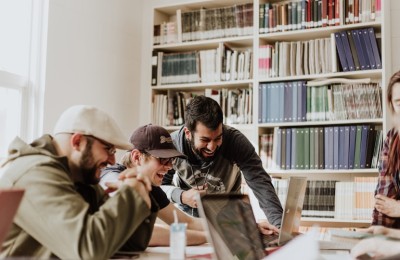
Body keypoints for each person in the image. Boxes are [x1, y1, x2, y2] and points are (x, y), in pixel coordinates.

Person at [0, 105, 158, 259]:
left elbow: (128, 244)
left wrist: (141, 190)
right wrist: (131, 194)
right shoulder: (35, 174)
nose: (112, 161)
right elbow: (88, 250)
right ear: (77, 142)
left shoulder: (80, 176)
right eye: (108, 149)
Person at [161, 95, 283, 231]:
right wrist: (182, 196)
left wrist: (279, 228)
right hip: (189, 221)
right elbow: (160, 187)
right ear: (188, 133)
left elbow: (261, 184)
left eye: (218, 138)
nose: (212, 147)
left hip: (230, 220)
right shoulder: (172, 145)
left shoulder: (235, 142)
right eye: (205, 140)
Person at [100, 124, 207, 246]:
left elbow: (186, 223)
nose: (169, 167)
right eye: (162, 159)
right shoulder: (112, 177)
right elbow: (139, 232)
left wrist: (225, 227)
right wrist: (207, 237)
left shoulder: (149, 185)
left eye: (171, 160)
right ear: (137, 157)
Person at [373, 71, 400, 228]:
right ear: (392, 105)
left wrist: (398, 208)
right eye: (399, 103)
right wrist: (376, 234)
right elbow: (383, 199)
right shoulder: (392, 139)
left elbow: (393, 207)